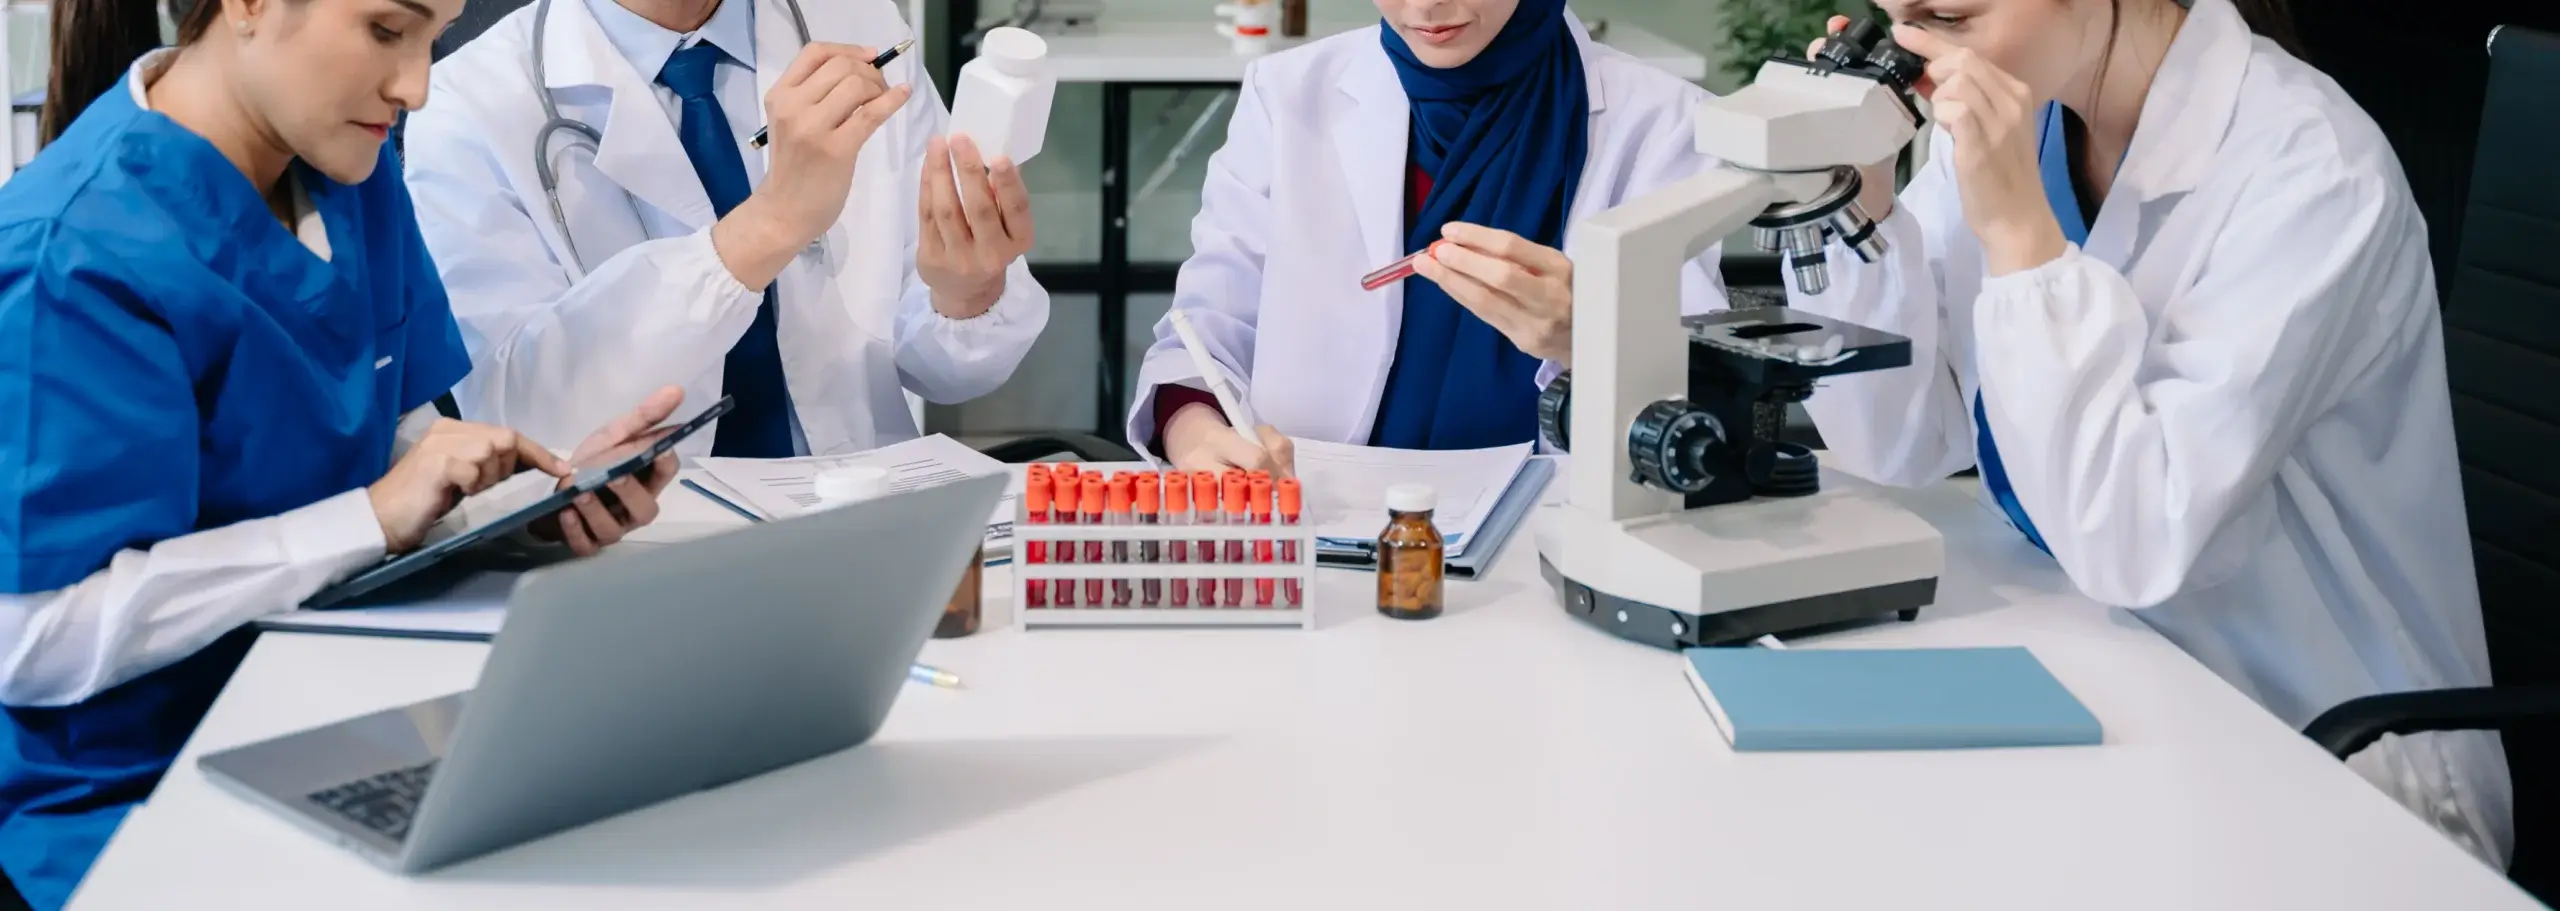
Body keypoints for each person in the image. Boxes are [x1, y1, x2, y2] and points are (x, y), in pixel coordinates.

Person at [1793, 0, 2510, 867]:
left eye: (1947, 12)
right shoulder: (2015, 113)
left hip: (2329, 759)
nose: (1907, 13)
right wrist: (1859, 204)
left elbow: (2133, 538)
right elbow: (1902, 441)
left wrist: (2023, 237)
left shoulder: (2313, 169)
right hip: (2104, 671)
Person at [0, 0, 686, 904]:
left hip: (347, 711)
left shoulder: (347, 165)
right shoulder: (71, 253)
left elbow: (387, 427)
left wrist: (525, 505)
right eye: (384, 31)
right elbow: (32, 638)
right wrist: (363, 522)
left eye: (434, 38)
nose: (417, 85)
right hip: (139, 795)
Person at [401, 0, 1048, 459]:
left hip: (864, 510)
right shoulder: (465, 102)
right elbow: (520, 414)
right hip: (640, 552)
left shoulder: (857, 26)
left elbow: (945, 368)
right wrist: (769, 225)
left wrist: (965, 294)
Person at [1124, 0, 1731, 473]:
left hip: (1549, 542)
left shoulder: (1664, 124)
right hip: (1317, 525)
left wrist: (1589, 338)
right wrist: (1196, 434)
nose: (1425, 7)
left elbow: (1705, 400)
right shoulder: (1286, 95)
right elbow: (1204, 331)